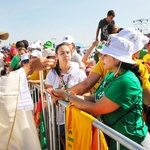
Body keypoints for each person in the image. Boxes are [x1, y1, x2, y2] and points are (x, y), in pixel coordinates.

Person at [47, 36, 150, 150]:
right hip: (117, 141)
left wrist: (67, 96)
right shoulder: (112, 75)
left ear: (117, 59)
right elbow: (94, 98)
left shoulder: (126, 81)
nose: (100, 58)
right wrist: (64, 95)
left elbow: (96, 108)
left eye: (105, 55)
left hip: (131, 143)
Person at [45, 43, 87, 150]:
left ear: (71, 54)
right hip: (58, 115)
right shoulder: (52, 73)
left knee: (75, 142)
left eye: (68, 52)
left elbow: (87, 93)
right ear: (56, 56)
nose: (65, 55)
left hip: (75, 115)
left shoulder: (79, 73)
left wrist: (70, 96)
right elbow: (48, 90)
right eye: (62, 53)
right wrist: (55, 95)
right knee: (64, 142)